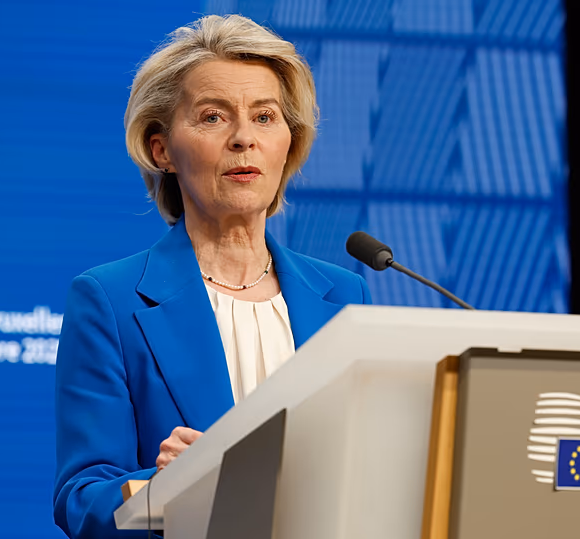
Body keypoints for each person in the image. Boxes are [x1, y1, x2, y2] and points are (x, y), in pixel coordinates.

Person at [52, 14, 371, 538]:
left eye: (265, 117)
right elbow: (81, 500)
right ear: (161, 149)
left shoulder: (344, 294)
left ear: (289, 143)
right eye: (213, 117)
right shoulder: (108, 300)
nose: (244, 139)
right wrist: (162, 486)